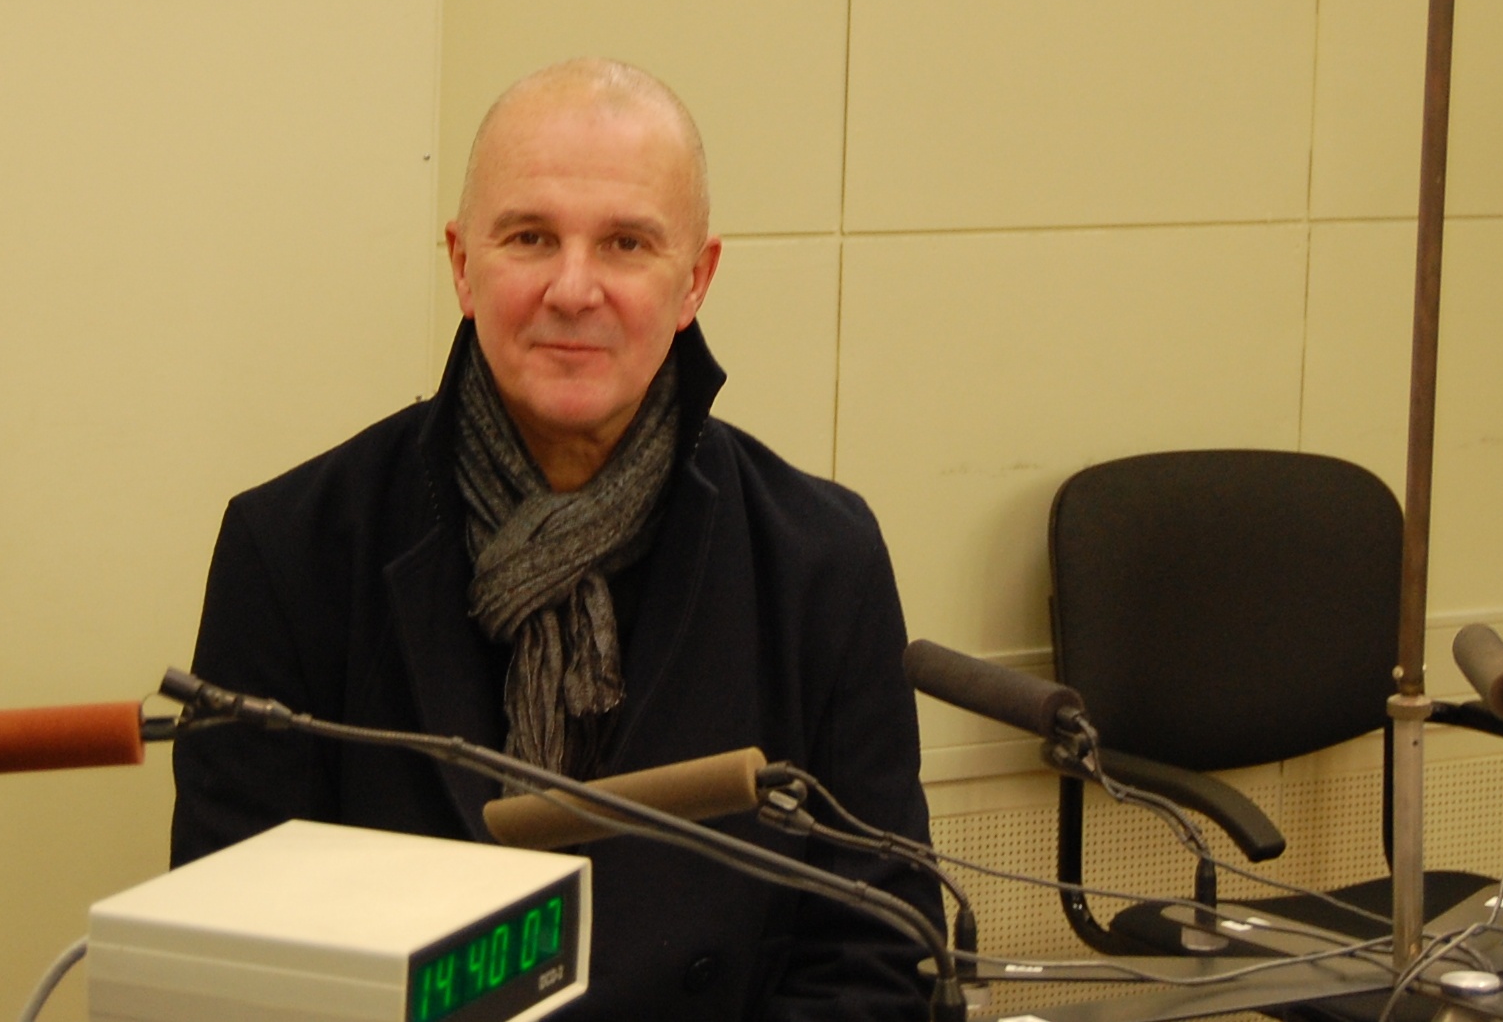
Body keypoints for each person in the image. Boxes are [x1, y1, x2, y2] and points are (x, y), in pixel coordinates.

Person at [171, 58, 942, 1020]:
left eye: (626, 243)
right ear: (463, 263)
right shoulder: (292, 553)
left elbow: (878, 957)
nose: (574, 289)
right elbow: (235, 968)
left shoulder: (820, 560)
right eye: (531, 237)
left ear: (696, 279)